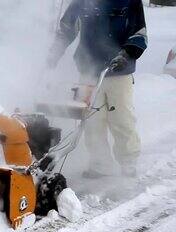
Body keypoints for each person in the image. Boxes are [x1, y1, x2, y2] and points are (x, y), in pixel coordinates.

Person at [48, 0, 147, 178]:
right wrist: (55, 52)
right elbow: (66, 28)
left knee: (122, 119)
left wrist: (126, 54)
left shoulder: (130, 1)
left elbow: (139, 34)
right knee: (91, 121)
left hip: (119, 71)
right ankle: (101, 165)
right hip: (88, 70)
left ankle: (128, 162)